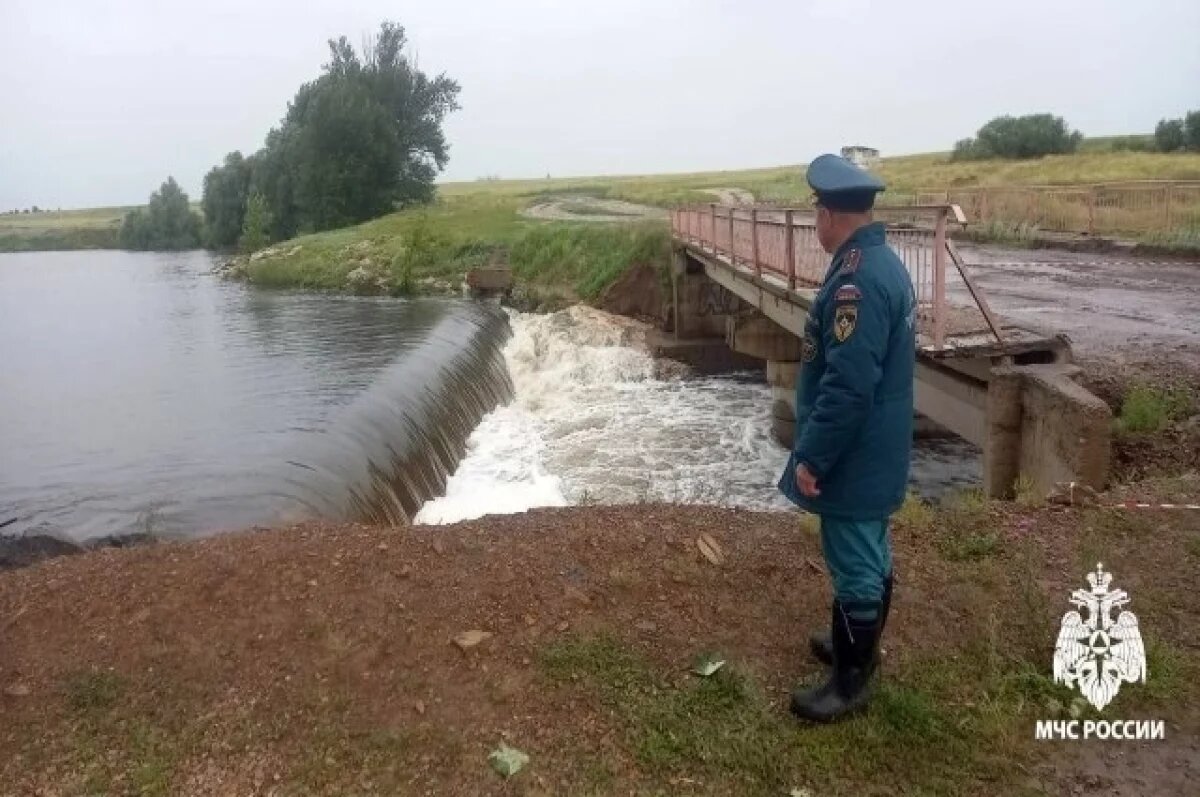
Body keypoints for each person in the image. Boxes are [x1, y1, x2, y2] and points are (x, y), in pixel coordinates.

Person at [777, 153, 916, 723]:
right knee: (869, 550)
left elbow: (849, 386)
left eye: (817, 212)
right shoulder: (881, 262)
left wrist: (813, 454)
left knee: (854, 557)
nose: (816, 223)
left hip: (855, 451)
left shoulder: (857, 279)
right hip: (877, 444)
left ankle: (850, 683)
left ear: (831, 214)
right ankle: (854, 647)